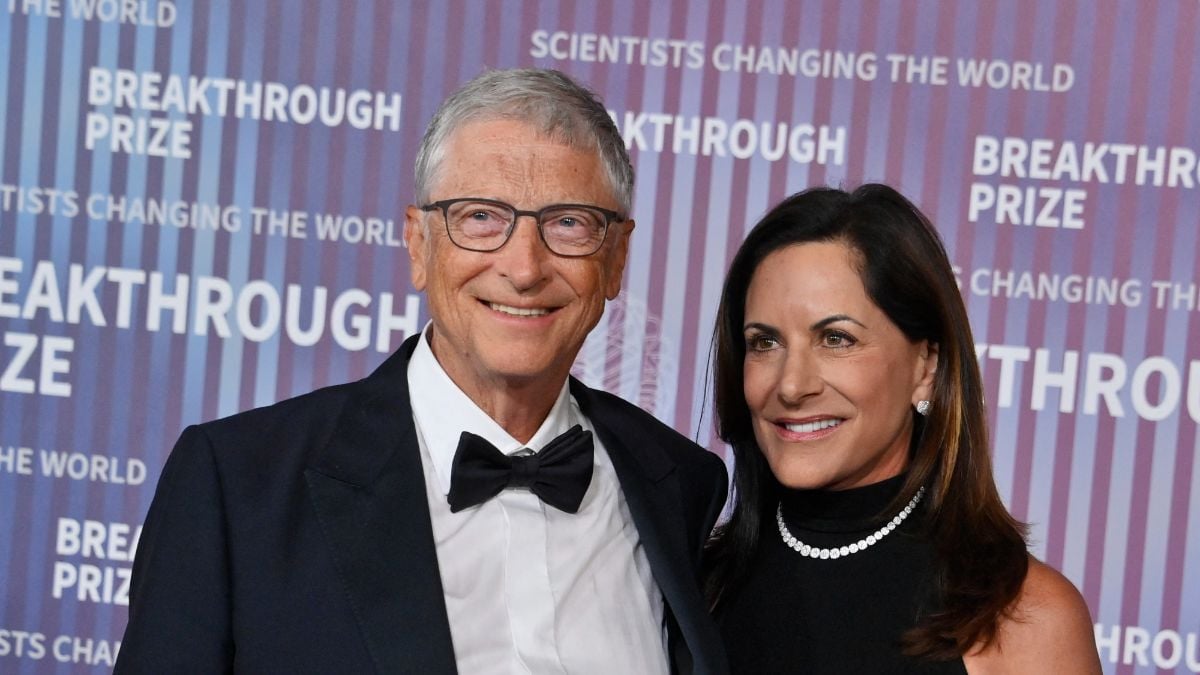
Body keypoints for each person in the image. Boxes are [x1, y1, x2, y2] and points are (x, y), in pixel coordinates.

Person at [115, 68, 729, 674]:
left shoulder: (682, 485)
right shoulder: (238, 485)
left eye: (568, 223)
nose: (524, 268)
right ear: (419, 244)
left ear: (616, 258)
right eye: (481, 217)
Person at [704, 184, 1100, 673]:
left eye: (836, 338)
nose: (791, 385)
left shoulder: (1022, 619)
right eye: (765, 342)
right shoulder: (689, 587)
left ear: (926, 367)